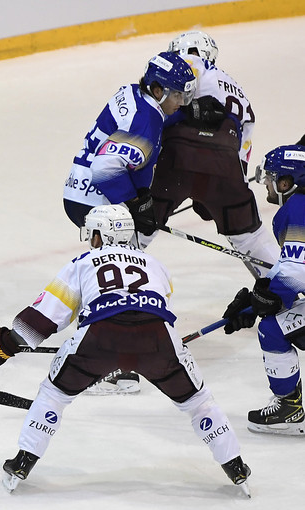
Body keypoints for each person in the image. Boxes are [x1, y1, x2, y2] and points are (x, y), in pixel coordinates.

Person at [0, 204, 251, 495]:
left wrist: (4, 344)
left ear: (99, 235)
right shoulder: (155, 264)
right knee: (198, 402)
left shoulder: (82, 262)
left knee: (54, 394)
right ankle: (235, 465)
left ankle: (23, 461)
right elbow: (158, 307)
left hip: (99, 339)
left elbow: (44, 318)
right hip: (159, 341)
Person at [62, 51, 196, 394]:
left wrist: (187, 114)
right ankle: (112, 366)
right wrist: (136, 202)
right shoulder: (147, 121)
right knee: (119, 273)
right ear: (157, 89)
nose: (181, 101)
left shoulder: (134, 94)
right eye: (178, 95)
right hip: (98, 199)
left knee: (116, 269)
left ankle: (102, 349)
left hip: (83, 191)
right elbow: (105, 168)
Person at [145, 30, 279, 278]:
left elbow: (152, 109)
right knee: (251, 238)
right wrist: (215, 195)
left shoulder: (191, 63)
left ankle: (111, 283)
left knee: (138, 227)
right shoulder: (241, 95)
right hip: (226, 171)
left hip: (179, 162)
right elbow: (240, 160)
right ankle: (288, 290)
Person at [222, 144, 305, 436]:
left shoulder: (295, 209)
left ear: (287, 182)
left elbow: (296, 274)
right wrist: (257, 298)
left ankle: (290, 407)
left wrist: (262, 300)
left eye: (271, 178)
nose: (267, 184)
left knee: (272, 329)